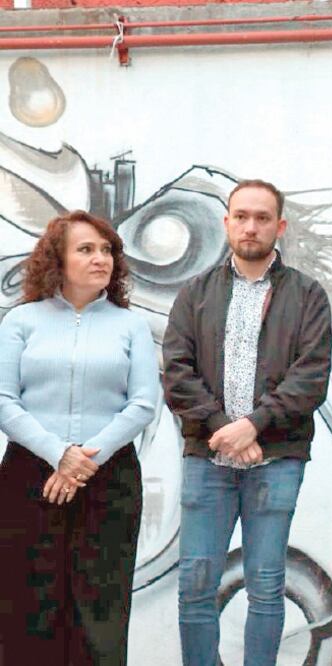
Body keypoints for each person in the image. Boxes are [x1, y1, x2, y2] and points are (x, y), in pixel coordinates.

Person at [163, 179, 332, 666]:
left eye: (262, 217)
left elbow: (310, 377)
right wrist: (225, 428)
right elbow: (177, 372)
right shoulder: (195, 292)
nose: (251, 226)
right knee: (195, 584)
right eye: (242, 216)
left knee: (265, 585)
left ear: (279, 226)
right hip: (207, 460)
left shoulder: (307, 295)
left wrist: (255, 425)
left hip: (276, 459)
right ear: (227, 223)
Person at [0, 211, 159, 665]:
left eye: (107, 250)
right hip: (31, 476)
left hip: (108, 478)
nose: (100, 259)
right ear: (58, 259)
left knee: (101, 605)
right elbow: (4, 399)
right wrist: (58, 455)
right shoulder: (21, 321)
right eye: (86, 249)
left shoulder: (131, 326)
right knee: (29, 603)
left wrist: (85, 459)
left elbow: (143, 403)